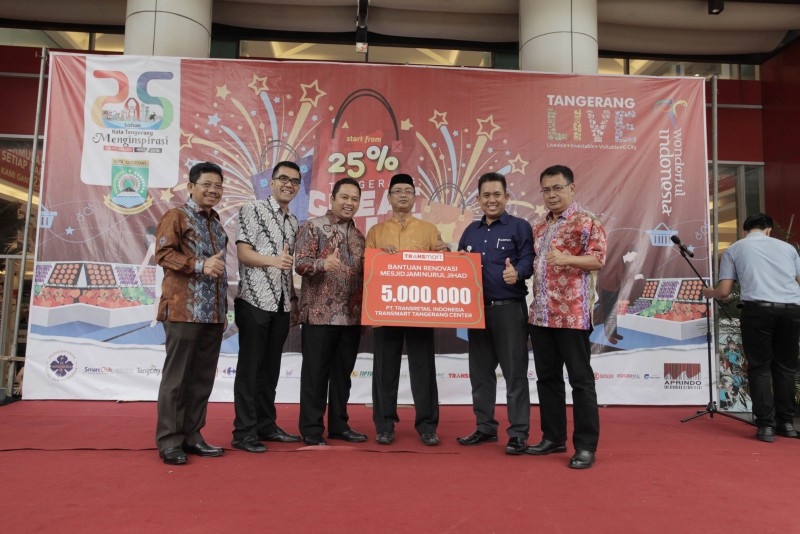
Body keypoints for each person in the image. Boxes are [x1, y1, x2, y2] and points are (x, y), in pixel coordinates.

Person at [526, 164, 606, 469]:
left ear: (571, 188)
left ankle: (585, 446)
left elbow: (597, 260)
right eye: (546, 189)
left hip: (572, 316)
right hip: (541, 316)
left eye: (557, 188)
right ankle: (553, 437)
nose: (551, 195)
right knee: (547, 379)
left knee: (580, 381)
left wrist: (567, 258)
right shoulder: (539, 226)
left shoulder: (587, 221)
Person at [154, 161, 228, 465]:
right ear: (191, 186)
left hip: (213, 314)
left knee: (201, 380)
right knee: (177, 380)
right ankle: (170, 441)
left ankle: (193, 435)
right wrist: (200, 264)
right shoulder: (176, 216)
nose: (213, 190)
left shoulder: (216, 222)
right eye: (207, 184)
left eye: (218, 186)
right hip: (183, 310)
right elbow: (163, 254)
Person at [702, 212, 800, 442]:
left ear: (744, 231)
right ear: (768, 230)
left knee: (759, 367)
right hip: (791, 310)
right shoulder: (788, 249)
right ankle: (786, 424)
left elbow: (724, 292)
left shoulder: (735, 248)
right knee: (786, 368)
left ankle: (766, 426)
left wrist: (708, 292)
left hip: (757, 311)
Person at [456, 172, 533, 455]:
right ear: (478, 199)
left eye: (497, 194)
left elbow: (528, 259)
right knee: (480, 374)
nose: (492, 200)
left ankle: (518, 433)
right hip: (476, 312)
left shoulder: (520, 227)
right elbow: (459, 265)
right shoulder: (470, 231)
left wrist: (518, 272)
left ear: (506, 197)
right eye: (486, 195)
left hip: (509, 310)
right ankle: (485, 427)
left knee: (514, 374)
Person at [366, 173, 445, 446]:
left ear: (414, 197)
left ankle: (427, 426)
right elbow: (367, 268)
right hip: (385, 308)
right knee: (384, 369)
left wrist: (444, 253)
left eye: (407, 191)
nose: (402, 195)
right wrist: (379, 256)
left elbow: (443, 263)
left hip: (420, 308)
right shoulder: (376, 232)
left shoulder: (429, 230)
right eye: (397, 191)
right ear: (389, 197)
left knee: (423, 368)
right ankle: (384, 425)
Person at [231, 161, 302, 453]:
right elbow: (244, 253)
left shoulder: (293, 221)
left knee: (270, 370)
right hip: (254, 301)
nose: (289, 184)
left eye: (295, 181)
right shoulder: (252, 210)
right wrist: (274, 261)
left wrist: (293, 300)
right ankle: (243, 432)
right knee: (250, 370)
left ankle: (266, 425)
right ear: (271, 183)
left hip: (282, 304)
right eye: (283, 178)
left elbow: (288, 268)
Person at [295, 177, 368, 446]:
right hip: (319, 315)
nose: (349, 203)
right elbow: (299, 263)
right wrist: (322, 264)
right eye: (344, 197)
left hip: (351, 317)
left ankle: (339, 425)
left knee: (342, 377)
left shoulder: (359, 237)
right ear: (333, 199)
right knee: (315, 375)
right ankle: (312, 429)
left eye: (354, 199)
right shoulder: (313, 227)